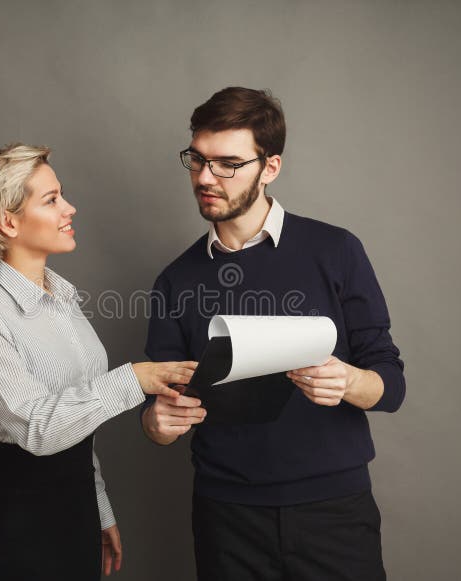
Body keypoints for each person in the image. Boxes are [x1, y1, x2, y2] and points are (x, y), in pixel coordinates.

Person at [142, 87, 406, 580]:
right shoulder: (175, 280)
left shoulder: (337, 251)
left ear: (270, 167)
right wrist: (157, 424)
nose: (205, 178)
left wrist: (350, 381)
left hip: (334, 512)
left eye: (227, 164)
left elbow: (391, 384)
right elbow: (157, 409)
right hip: (226, 518)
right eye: (197, 160)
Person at [0, 143, 197, 580]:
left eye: (61, 195)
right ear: (8, 221)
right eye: (51, 200)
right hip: (16, 527)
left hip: (76, 515)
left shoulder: (64, 299)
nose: (70, 208)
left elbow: (78, 422)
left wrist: (98, 506)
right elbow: (36, 428)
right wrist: (133, 379)